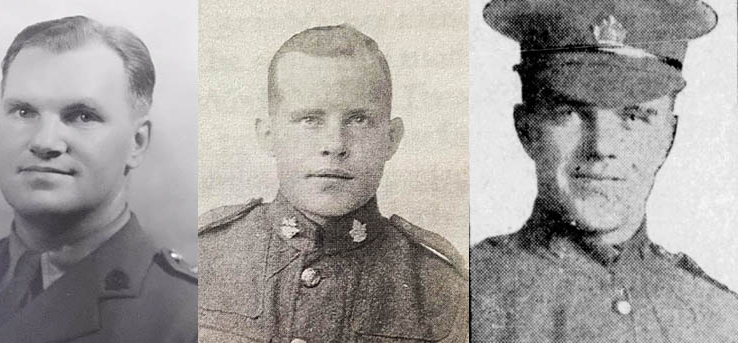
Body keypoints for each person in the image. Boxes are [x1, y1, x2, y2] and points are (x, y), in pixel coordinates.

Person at [471, 0, 738, 341]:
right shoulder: (469, 297)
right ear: (526, 129)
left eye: (633, 116)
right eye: (570, 112)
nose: (601, 147)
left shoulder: (719, 318)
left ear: (669, 137)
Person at [0, 16, 197, 343]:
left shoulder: (190, 318)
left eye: (82, 116)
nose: (44, 141)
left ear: (136, 143)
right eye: (24, 112)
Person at [198, 24, 467, 343]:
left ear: (391, 139)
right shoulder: (204, 256)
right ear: (268, 136)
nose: (335, 144)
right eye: (309, 119)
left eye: (358, 119)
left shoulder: (441, 286)